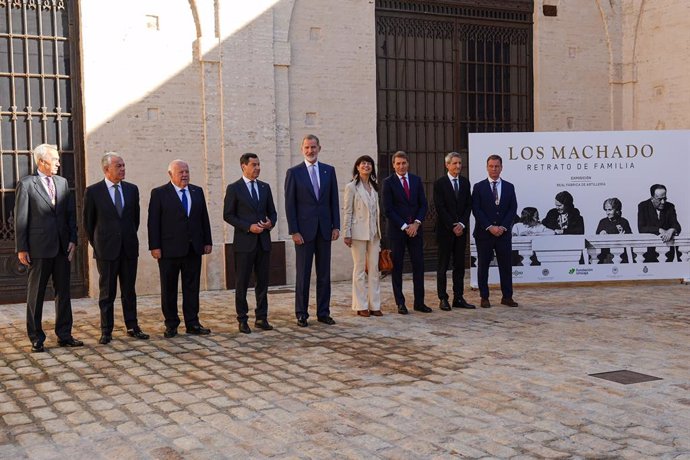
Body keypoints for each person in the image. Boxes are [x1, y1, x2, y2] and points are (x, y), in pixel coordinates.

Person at [14, 144, 82, 352]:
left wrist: (72, 239)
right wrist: (22, 248)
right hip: (39, 249)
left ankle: (64, 334)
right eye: (55, 160)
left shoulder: (62, 183)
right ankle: (36, 336)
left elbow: (70, 214)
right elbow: (21, 219)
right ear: (42, 162)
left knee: (63, 293)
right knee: (36, 294)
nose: (59, 163)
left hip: (62, 247)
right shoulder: (26, 185)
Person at [83, 152, 149, 344]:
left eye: (123, 165)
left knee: (129, 291)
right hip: (106, 250)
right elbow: (88, 223)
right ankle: (106, 330)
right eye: (118, 166)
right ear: (106, 169)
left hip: (128, 248)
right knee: (107, 293)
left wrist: (126, 237)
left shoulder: (131, 190)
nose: (122, 169)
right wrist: (99, 244)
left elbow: (134, 220)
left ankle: (132, 326)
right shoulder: (93, 191)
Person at [147, 159, 213, 338]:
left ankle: (192, 322)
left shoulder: (197, 191)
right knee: (169, 288)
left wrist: (207, 241)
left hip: (193, 249)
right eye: (180, 172)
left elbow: (203, 218)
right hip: (169, 250)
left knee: (192, 288)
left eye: (187, 171)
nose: (184, 175)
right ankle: (171, 323)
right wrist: (155, 246)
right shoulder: (160, 193)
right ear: (170, 174)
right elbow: (153, 222)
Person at [284, 134, 340, 327]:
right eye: (307, 147)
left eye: (313, 147)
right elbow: (290, 205)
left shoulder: (328, 171)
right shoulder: (294, 173)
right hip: (304, 233)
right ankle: (301, 313)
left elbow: (334, 201)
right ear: (302, 149)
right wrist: (294, 231)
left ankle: (323, 312)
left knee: (324, 273)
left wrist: (336, 226)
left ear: (319, 148)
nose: (310, 151)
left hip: (325, 230)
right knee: (303, 274)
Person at [223, 153, 277, 334]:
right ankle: (242, 319)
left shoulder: (265, 187)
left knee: (262, 282)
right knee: (242, 282)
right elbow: (228, 215)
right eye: (254, 165)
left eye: (259, 164)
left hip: (263, 242)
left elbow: (273, 212)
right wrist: (248, 227)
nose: (258, 168)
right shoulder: (234, 188)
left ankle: (261, 317)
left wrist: (270, 223)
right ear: (243, 166)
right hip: (244, 244)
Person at [382, 151, 431, 314]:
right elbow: (388, 209)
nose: (401, 166)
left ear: (408, 164)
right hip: (397, 231)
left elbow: (423, 205)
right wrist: (405, 226)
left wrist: (416, 224)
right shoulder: (388, 183)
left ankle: (419, 302)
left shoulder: (416, 181)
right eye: (398, 163)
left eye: (403, 163)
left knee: (419, 265)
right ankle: (400, 302)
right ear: (393, 165)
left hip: (415, 231)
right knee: (397, 267)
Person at [471, 154, 518, 308]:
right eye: (491, 166)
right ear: (487, 167)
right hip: (484, 234)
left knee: (506, 266)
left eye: (497, 166)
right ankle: (484, 297)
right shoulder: (478, 187)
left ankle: (507, 297)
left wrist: (503, 227)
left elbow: (513, 208)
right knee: (483, 265)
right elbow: (476, 209)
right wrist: (490, 227)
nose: (494, 169)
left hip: (503, 234)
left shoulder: (510, 187)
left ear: (501, 167)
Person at [433, 152, 475, 311]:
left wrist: (462, 224)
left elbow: (468, 205)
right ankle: (443, 298)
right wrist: (452, 225)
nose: (458, 166)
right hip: (445, 231)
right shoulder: (440, 183)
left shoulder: (465, 183)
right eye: (455, 163)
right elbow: (440, 207)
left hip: (461, 232)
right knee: (443, 266)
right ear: (447, 165)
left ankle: (458, 297)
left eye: (459, 163)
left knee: (459, 266)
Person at [342, 155, 382, 317]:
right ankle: (360, 305)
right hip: (358, 233)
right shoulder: (351, 187)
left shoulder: (374, 187)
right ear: (357, 167)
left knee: (374, 269)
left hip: (374, 233)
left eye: (369, 164)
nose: (366, 166)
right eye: (362, 164)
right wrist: (347, 233)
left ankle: (375, 305)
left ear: (372, 167)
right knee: (359, 269)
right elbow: (348, 211)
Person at [637, 184, 682, 262]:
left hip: (667, 252)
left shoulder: (670, 206)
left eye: (665, 198)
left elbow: (676, 225)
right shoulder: (643, 206)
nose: (663, 202)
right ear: (652, 198)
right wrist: (659, 230)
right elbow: (641, 228)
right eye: (659, 199)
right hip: (649, 252)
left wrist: (672, 230)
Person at [595, 197, 632, 264]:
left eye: (610, 210)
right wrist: (600, 235)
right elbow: (596, 240)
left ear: (617, 210)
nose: (607, 213)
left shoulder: (624, 222)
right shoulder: (602, 222)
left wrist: (623, 236)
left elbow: (630, 240)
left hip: (621, 256)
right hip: (606, 256)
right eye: (606, 210)